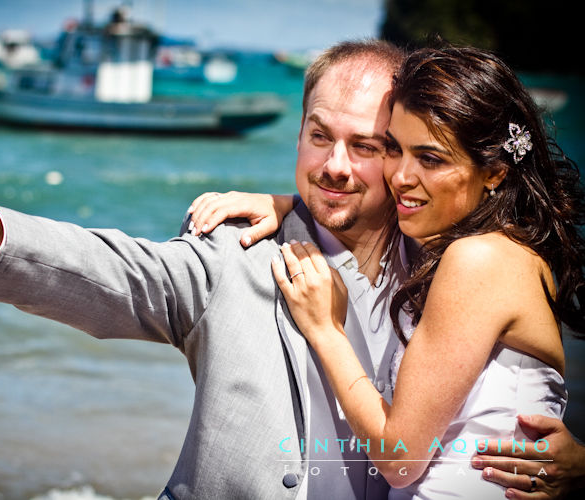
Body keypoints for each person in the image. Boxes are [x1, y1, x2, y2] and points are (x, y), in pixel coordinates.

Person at [0, 40, 582, 499]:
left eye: (367, 146)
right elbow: (117, 272)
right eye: (317, 135)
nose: (333, 166)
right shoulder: (236, 255)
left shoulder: (455, 265)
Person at [188, 44, 585, 499]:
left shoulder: (477, 259)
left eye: (431, 159)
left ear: (494, 172)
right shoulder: (505, 250)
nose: (400, 176)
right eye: (394, 149)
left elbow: (399, 458)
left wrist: (325, 329)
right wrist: (293, 205)